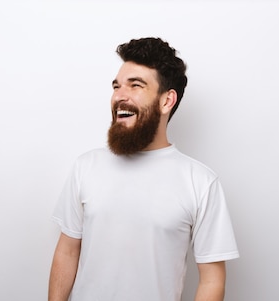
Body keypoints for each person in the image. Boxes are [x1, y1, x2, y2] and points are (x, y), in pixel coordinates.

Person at [48, 37, 239, 301]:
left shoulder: (201, 182)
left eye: (135, 85)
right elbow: (67, 251)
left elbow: (212, 279)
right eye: (117, 86)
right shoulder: (86, 166)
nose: (119, 96)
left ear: (166, 101)